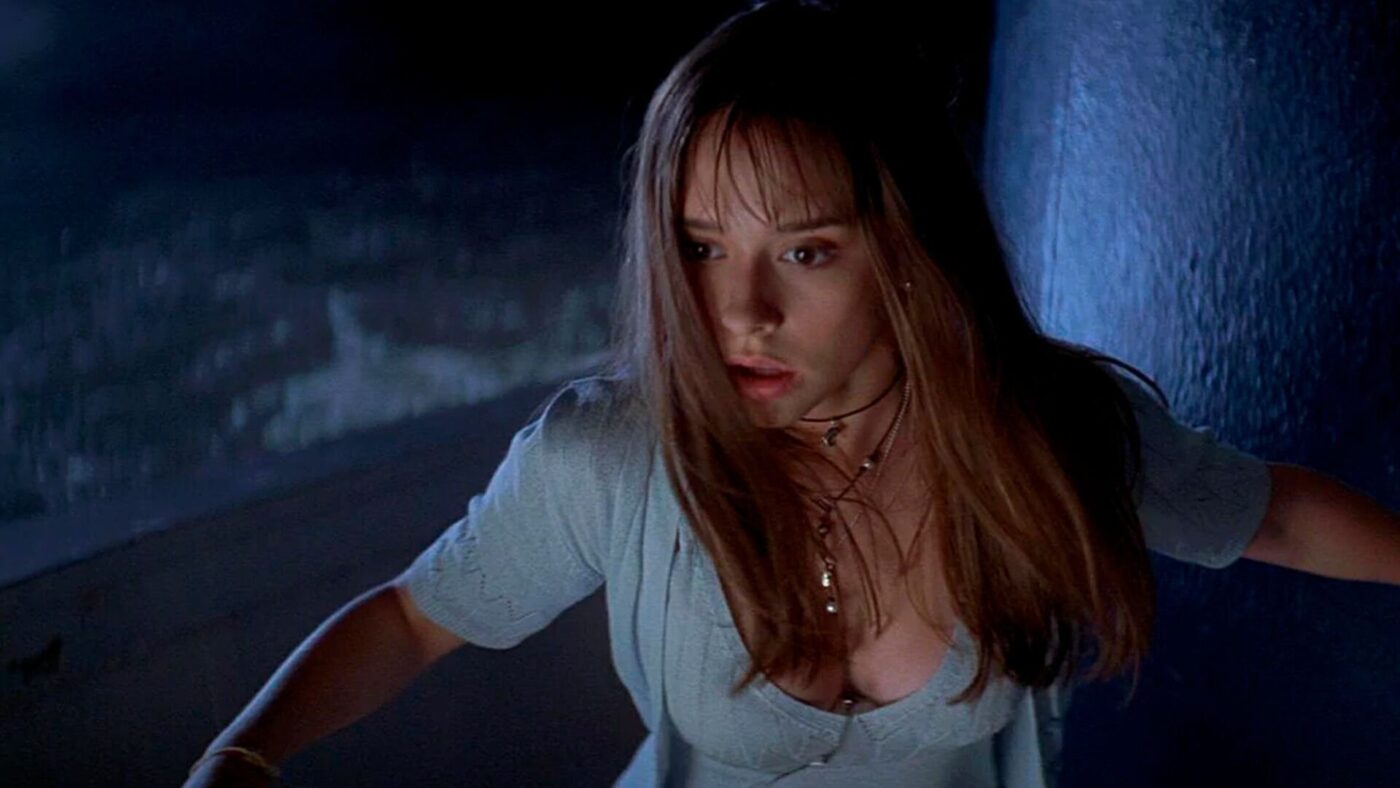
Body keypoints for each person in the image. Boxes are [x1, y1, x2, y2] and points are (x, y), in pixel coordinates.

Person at [184, 2, 1400, 786]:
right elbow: (413, 618)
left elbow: (1276, 516)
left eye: (804, 251)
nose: (738, 311)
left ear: (906, 249)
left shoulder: (1039, 430)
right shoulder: (610, 455)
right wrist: (240, 757)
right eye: (700, 246)